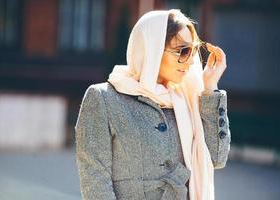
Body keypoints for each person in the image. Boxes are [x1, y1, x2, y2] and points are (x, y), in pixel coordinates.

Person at [75, 9, 231, 200]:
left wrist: (210, 87)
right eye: (183, 51)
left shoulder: (188, 100)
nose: (191, 61)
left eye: (194, 51)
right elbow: (95, 180)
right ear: (152, 49)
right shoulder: (103, 98)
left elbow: (216, 157)